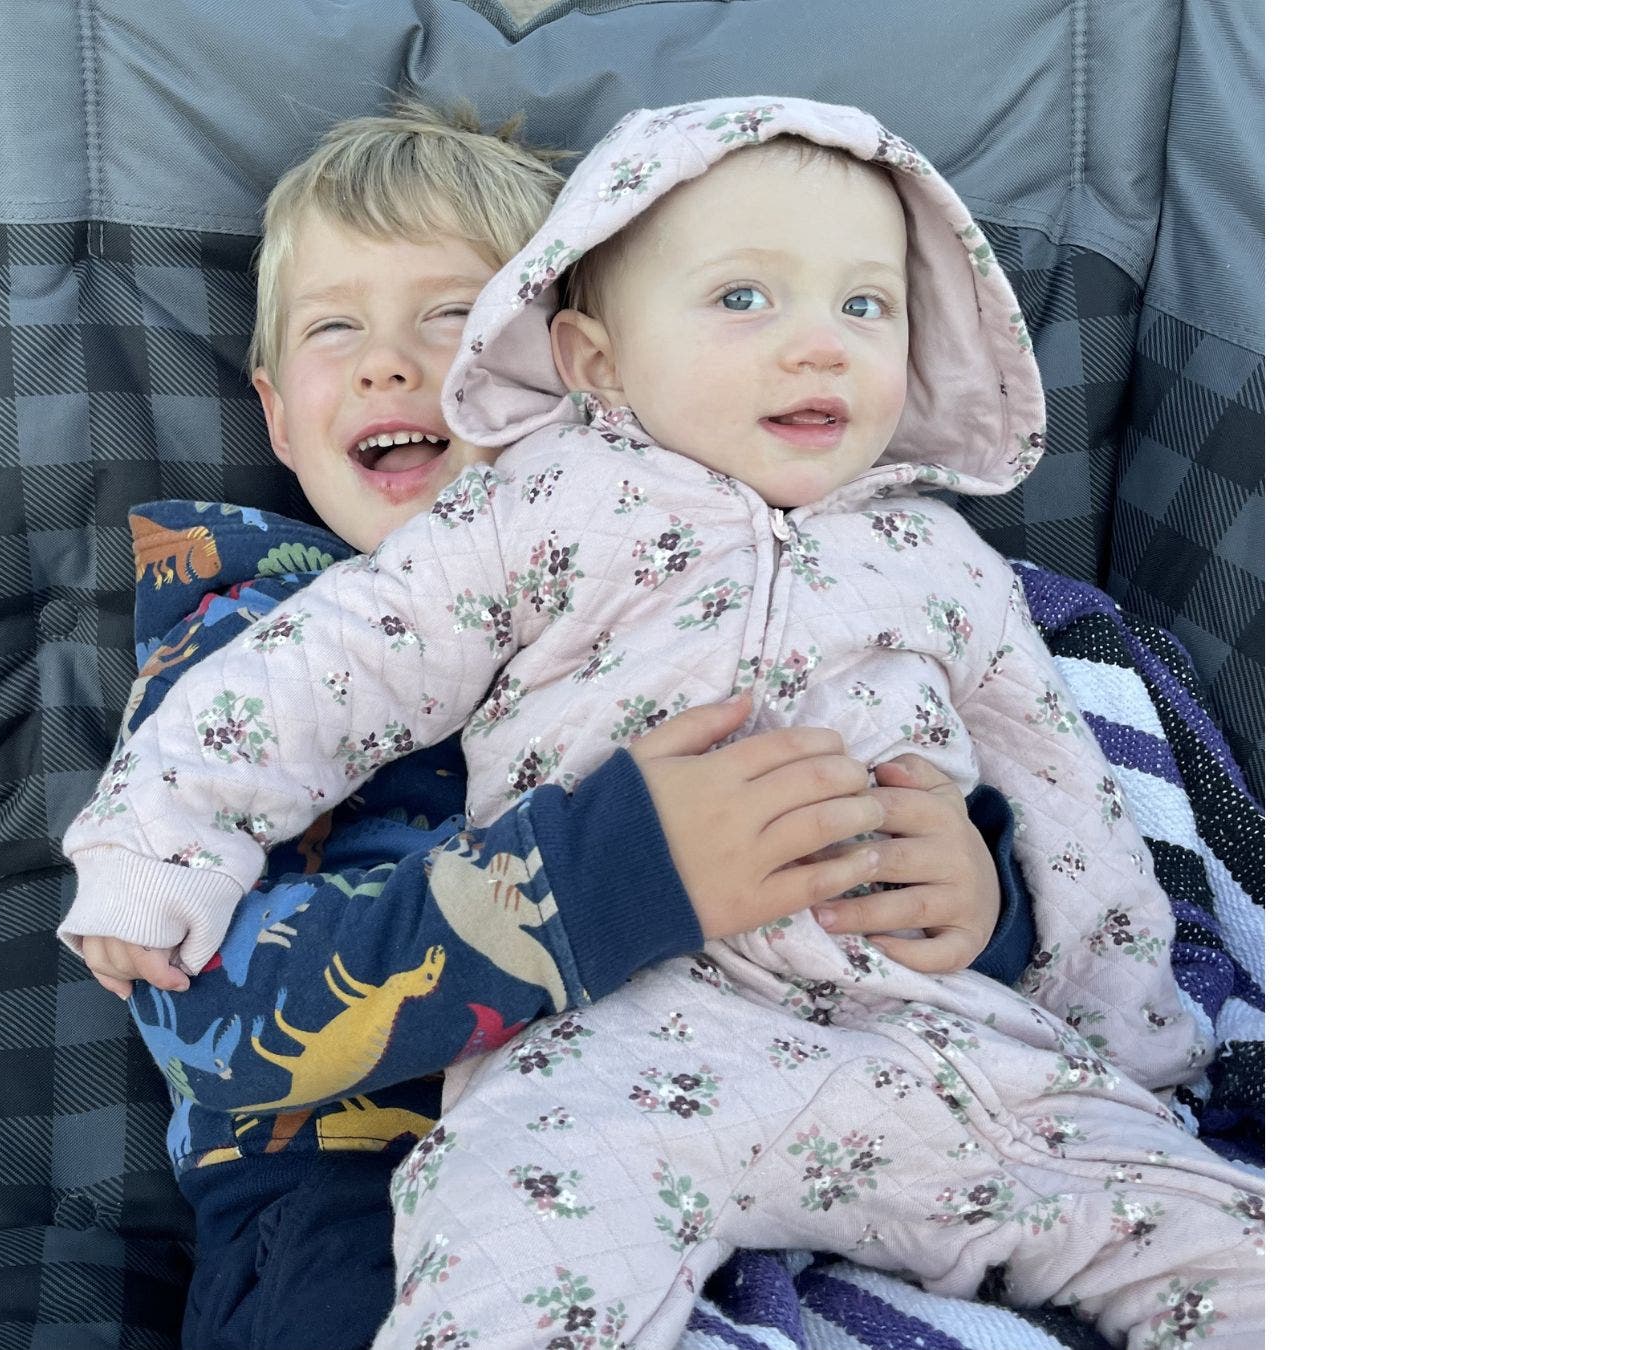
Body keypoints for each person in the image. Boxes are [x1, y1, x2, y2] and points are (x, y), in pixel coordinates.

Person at [63, 98, 1264, 1349]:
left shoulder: (915, 558)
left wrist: (996, 915)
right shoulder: (260, 635)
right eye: (337, 329)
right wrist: (622, 865)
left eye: (455, 322)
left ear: (568, 373)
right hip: (376, 1168)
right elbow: (223, 1035)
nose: (394, 365)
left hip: (916, 1054)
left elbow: (1066, 802)